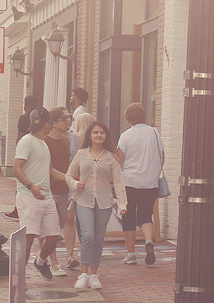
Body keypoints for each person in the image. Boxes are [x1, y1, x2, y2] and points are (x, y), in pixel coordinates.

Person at [67, 121, 126, 290]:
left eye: (102, 132)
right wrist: (75, 184)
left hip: (104, 202)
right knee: (88, 235)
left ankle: (94, 274)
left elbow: (119, 182)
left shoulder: (111, 157)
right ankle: (83, 274)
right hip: (83, 200)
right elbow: (69, 175)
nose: (99, 135)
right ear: (90, 136)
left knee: (99, 239)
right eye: (95, 132)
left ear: (106, 136)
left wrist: (122, 203)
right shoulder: (81, 154)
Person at [12, 108, 63, 281]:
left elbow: (50, 171)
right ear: (47, 124)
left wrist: (70, 180)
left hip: (46, 196)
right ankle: (19, 278)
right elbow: (16, 169)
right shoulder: (26, 142)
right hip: (28, 196)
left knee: (54, 236)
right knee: (28, 237)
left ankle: (40, 261)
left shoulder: (43, 144)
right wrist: (31, 186)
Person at [117, 102, 164, 265]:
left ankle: (131, 255)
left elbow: (120, 160)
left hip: (130, 181)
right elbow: (162, 157)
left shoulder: (126, 136)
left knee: (128, 217)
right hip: (150, 182)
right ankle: (148, 241)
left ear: (128, 119)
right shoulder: (154, 133)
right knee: (145, 215)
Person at [44, 107, 77, 275]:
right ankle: (53, 262)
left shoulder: (66, 141)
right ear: (54, 123)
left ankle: (70, 257)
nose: (68, 122)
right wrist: (68, 178)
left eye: (69, 118)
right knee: (51, 228)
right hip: (49, 190)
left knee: (68, 222)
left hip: (65, 189)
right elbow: (48, 169)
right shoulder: (44, 142)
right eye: (64, 119)